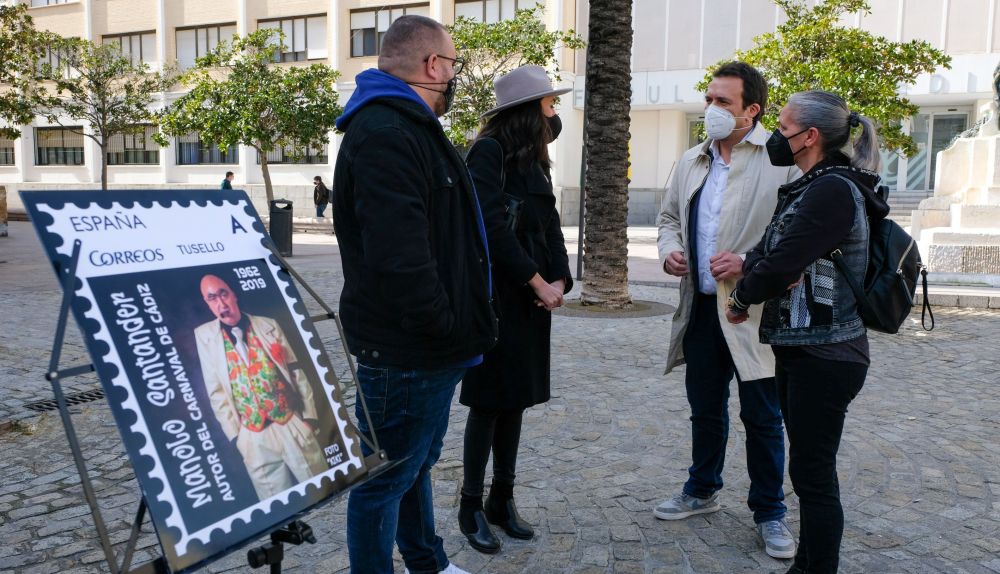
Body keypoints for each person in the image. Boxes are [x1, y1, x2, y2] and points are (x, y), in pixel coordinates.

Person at [331, 15, 497, 574]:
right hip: (406, 349)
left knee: (415, 464)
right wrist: (443, 325)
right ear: (433, 66)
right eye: (452, 64)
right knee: (385, 479)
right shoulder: (385, 131)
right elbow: (400, 257)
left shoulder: (406, 125)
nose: (453, 76)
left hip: (427, 347)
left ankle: (427, 561)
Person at [726, 90, 885, 574]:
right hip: (804, 350)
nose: (777, 136)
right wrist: (759, 269)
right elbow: (771, 251)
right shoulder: (811, 185)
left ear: (810, 137)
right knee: (807, 470)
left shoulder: (832, 189)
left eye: (783, 127)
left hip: (827, 354)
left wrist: (741, 297)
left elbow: (782, 263)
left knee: (814, 477)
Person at [654, 61, 799, 559]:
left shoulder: (778, 160)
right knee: (705, 409)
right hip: (699, 307)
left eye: (723, 102)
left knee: (762, 415)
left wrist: (748, 261)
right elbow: (669, 217)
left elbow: (794, 234)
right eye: (709, 99)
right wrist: (671, 250)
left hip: (753, 311)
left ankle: (770, 512)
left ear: (751, 111)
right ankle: (701, 490)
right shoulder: (693, 158)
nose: (711, 109)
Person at [458, 64, 573, 554]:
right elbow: (489, 227)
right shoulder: (488, 152)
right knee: (487, 403)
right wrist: (534, 279)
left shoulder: (535, 160)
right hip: (499, 299)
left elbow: (548, 223)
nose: (554, 112)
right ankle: (470, 506)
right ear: (527, 111)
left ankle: (502, 499)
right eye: (549, 103)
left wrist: (563, 275)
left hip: (532, 299)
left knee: (516, 399)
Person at [193, 274, 327, 500]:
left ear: (234, 294)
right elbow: (215, 391)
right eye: (212, 298)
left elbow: (296, 372)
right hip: (252, 436)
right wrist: (237, 437)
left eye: (223, 293)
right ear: (207, 303)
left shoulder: (268, 325)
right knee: (275, 503)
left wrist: (309, 418)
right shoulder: (205, 336)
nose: (221, 303)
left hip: (289, 422)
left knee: (321, 487)